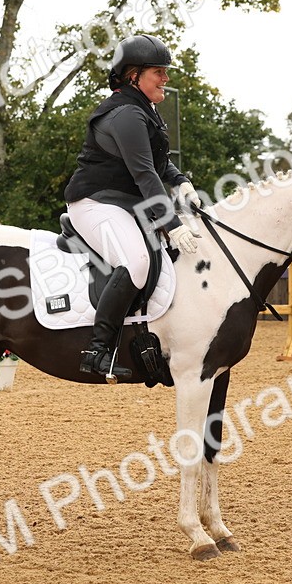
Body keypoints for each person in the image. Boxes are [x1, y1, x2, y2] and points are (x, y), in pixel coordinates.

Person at [62, 34, 201, 381]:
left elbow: (157, 163)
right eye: (159, 71)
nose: (166, 79)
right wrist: (172, 223)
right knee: (136, 262)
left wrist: (181, 180)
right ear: (133, 75)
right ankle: (98, 351)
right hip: (94, 203)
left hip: (125, 205)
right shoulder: (125, 114)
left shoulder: (145, 110)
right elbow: (143, 175)